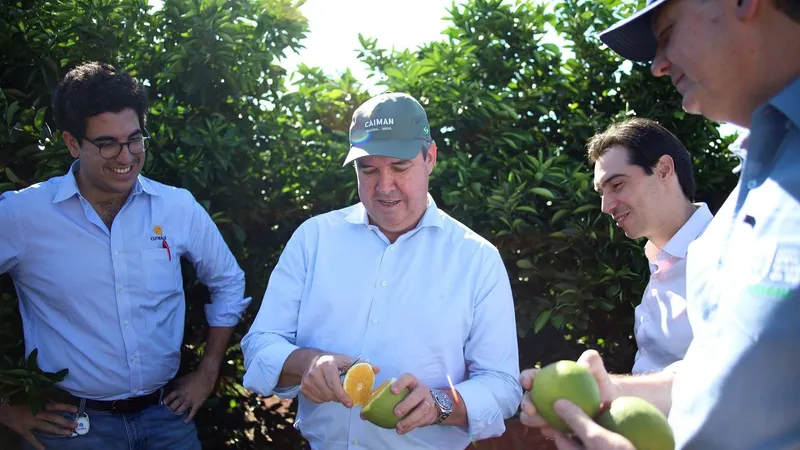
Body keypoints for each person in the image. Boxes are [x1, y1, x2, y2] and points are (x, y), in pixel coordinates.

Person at [518, 0, 800, 448]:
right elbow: (719, 378)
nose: (657, 66)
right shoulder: (744, 207)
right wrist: (610, 390)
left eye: (666, 33)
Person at [241, 92, 522, 449]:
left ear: (430, 157)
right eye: (368, 169)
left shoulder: (476, 258)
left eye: (400, 167)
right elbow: (259, 345)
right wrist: (308, 362)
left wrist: (441, 404)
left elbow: (502, 385)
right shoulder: (314, 239)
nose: (384, 186)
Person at [0, 62, 250, 450]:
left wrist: (208, 371)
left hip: (169, 419)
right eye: (107, 143)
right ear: (71, 143)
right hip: (72, 430)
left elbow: (228, 281)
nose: (126, 156)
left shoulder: (176, 208)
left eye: (135, 139)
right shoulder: (22, 215)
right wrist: (5, 408)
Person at [587, 118, 712, 375]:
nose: (606, 206)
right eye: (601, 192)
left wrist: (610, 389)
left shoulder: (726, 255)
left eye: (617, 185)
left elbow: (721, 378)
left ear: (664, 170)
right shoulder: (661, 259)